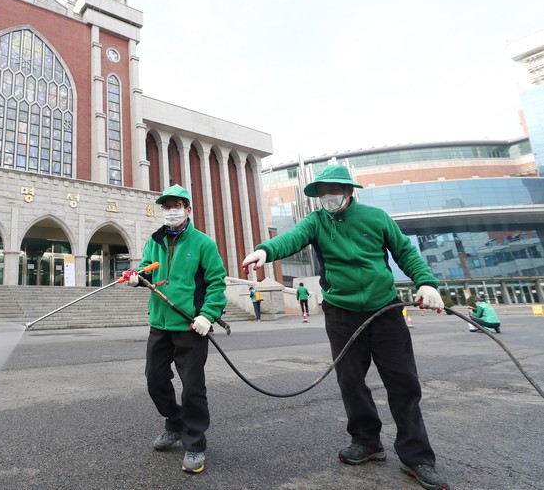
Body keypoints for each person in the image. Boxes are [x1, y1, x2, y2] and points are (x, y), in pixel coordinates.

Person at [242, 164, 450, 490]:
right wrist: (264, 251)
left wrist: (426, 283)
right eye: (323, 192)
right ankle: (367, 441)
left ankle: (417, 456)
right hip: (341, 314)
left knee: (403, 382)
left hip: (386, 310)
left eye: (334, 191)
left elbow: (406, 251)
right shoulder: (316, 222)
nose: (328, 197)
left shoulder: (376, 218)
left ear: (349, 191)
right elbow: (291, 239)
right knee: (351, 381)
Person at [121, 184, 227, 474]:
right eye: (166, 207)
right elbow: (147, 269)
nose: (171, 211)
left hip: (191, 326)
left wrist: (207, 314)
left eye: (176, 205)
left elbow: (217, 283)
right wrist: (137, 276)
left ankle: (195, 444)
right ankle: (175, 422)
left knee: (193, 387)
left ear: (188, 209)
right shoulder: (154, 240)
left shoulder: (203, 243)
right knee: (155, 380)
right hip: (159, 323)